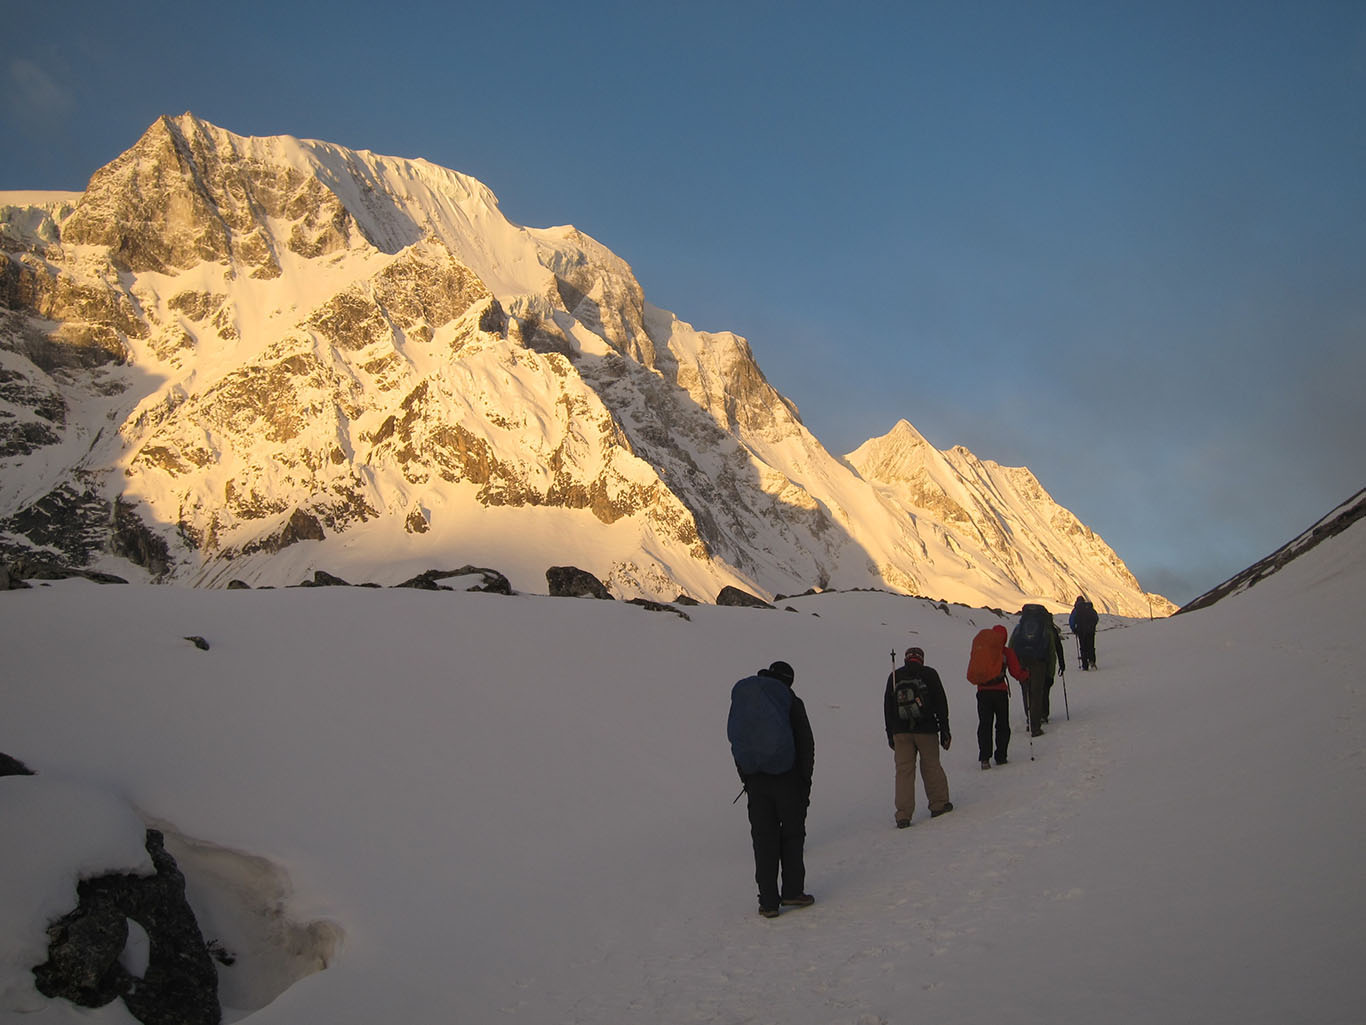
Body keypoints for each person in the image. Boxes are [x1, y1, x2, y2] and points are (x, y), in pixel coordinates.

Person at [735, 660, 815, 918]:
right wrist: (805, 781)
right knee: (792, 835)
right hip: (788, 778)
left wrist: (747, 778)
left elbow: (739, 740)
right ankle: (792, 891)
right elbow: (805, 743)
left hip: (756, 780)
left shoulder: (749, 701)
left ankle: (768, 901)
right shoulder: (790, 701)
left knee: (763, 839)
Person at [883, 646, 953, 828]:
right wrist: (944, 728)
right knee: (931, 766)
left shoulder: (894, 676)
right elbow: (941, 703)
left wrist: (890, 733)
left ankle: (903, 815)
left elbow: (888, 708)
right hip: (926, 729)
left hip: (901, 732)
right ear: (921, 659)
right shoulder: (929, 674)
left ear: (906, 659)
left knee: (904, 772)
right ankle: (938, 804)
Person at [967, 625, 1029, 769]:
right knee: (1002, 724)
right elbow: (1016, 672)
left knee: (985, 724)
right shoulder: (1006, 652)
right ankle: (1001, 756)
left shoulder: (982, 650)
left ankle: (984, 758)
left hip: (982, 692)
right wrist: (1025, 676)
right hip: (999, 692)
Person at [1010, 604, 1066, 737]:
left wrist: (1014, 665)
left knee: (1026, 690)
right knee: (1037, 692)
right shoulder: (1046, 629)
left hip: (1023, 661)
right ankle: (1038, 722)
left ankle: (1030, 718)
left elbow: (1011, 645)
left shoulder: (1020, 627)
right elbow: (1052, 651)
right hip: (1039, 663)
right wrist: (1053, 671)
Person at [1069, 595, 1100, 670]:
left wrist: (1074, 629)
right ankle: (1092, 661)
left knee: (1083, 648)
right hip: (1090, 631)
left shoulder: (1076, 609)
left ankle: (1085, 665)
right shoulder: (1089, 608)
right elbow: (1096, 618)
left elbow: (1071, 621)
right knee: (1091, 646)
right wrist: (1093, 626)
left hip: (1081, 631)